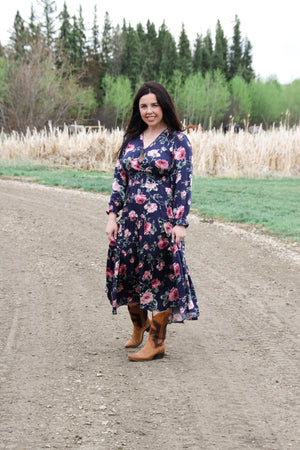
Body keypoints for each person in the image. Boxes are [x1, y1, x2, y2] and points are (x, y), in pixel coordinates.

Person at [105, 81, 199, 361]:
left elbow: (184, 183)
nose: (149, 111)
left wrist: (181, 222)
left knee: (160, 277)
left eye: (154, 105)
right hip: (131, 221)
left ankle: (157, 341)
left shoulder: (177, 140)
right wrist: (113, 215)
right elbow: (119, 179)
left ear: (164, 106)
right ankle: (139, 328)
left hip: (161, 221)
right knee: (129, 272)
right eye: (143, 106)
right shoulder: (132, 140)